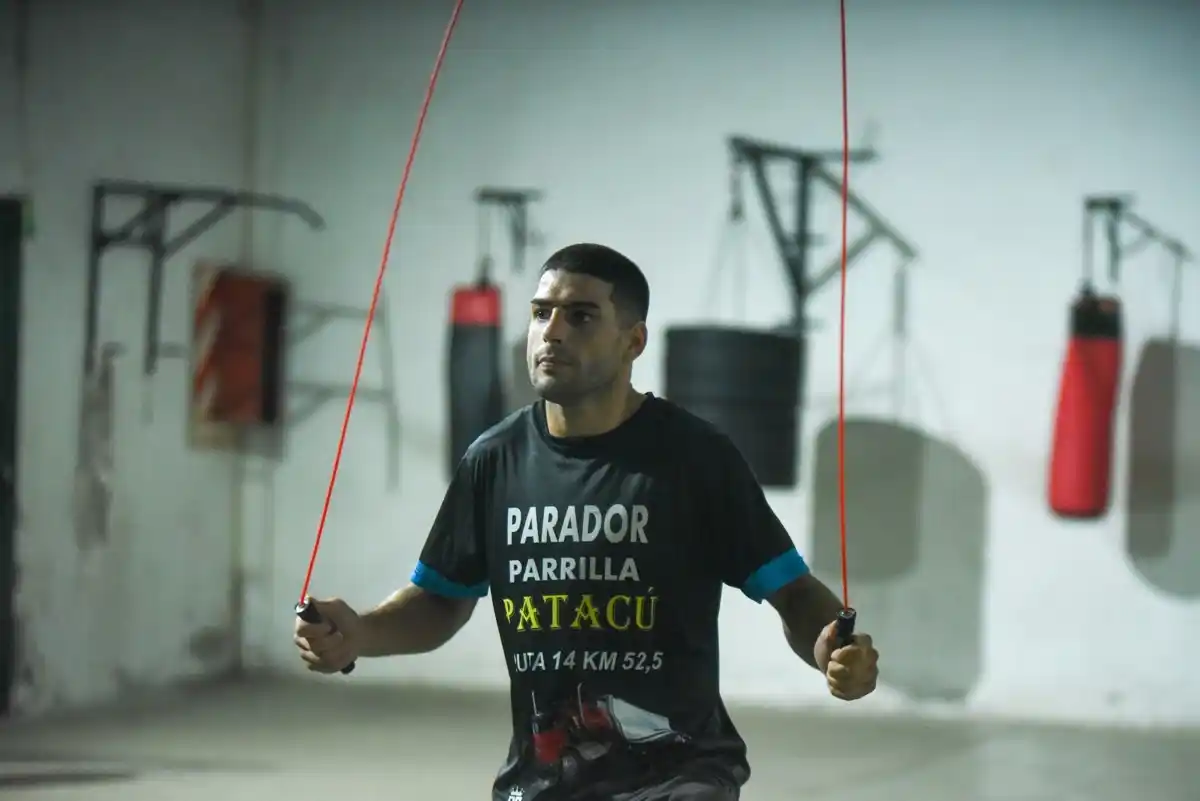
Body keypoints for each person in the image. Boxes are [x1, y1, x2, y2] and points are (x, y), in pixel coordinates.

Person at [294, 243, 881, 801]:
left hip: (679, 774)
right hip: (546, 777)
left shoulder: (695, 459)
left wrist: (830, 645)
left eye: (580, 317)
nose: (551, 333)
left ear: (633, 341)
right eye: (541, 313)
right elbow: (440, 598)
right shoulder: (493, 461)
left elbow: (792, 589)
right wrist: (362, 633)